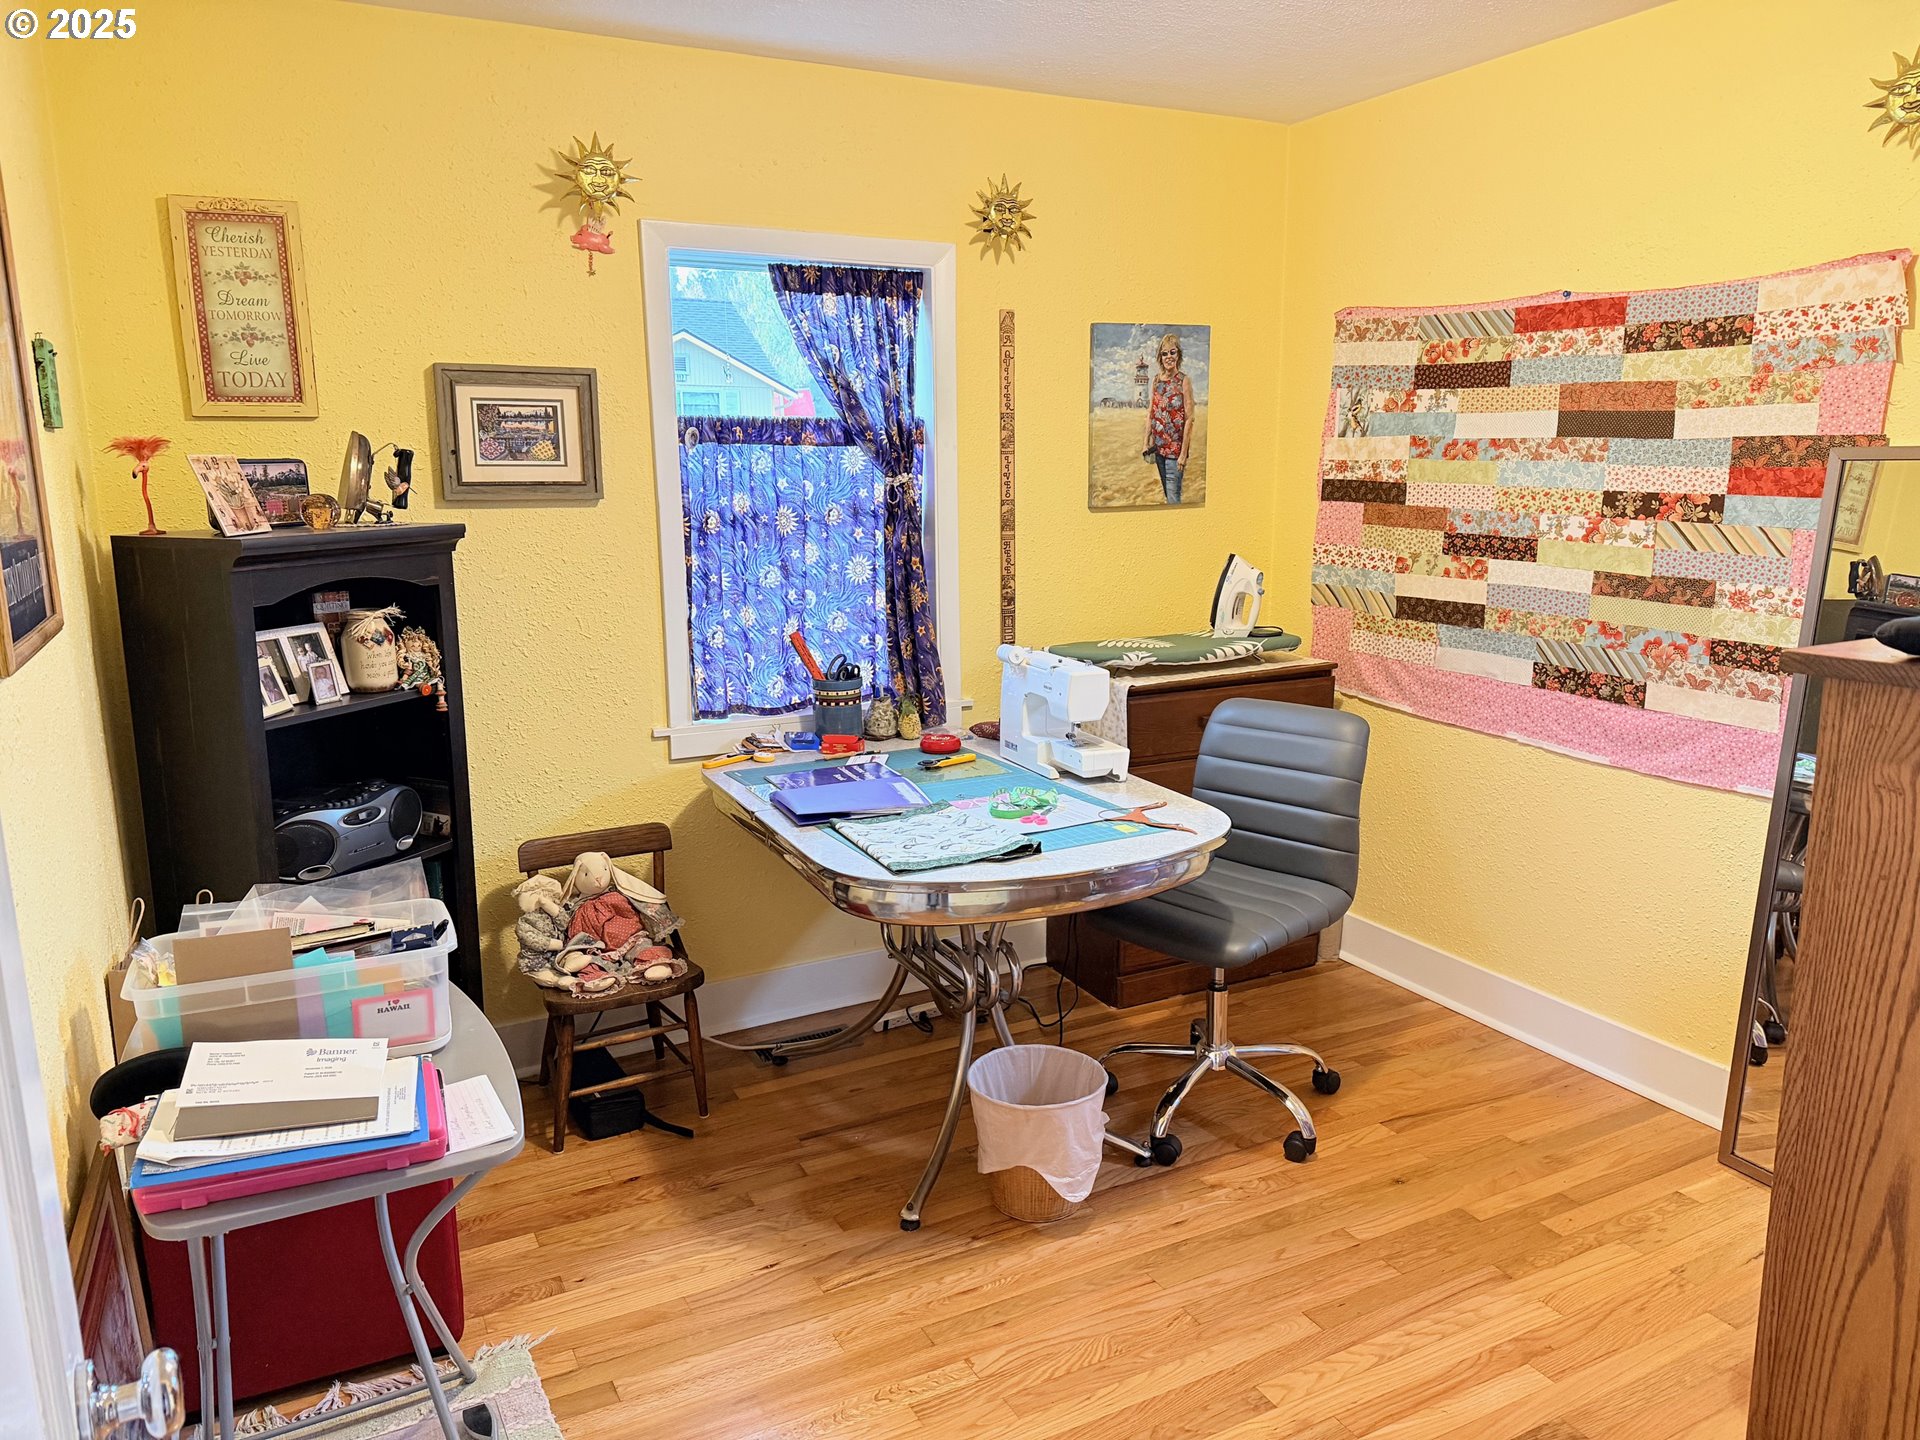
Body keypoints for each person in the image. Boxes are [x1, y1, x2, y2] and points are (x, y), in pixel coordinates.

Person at [1142, 332, 1194, 504]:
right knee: (1167, 495)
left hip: (1174, 453)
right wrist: (1146, 442)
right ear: (1160, 357)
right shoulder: (1156, 380)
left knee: (1173, 499)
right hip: (1158, 450)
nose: (1169, 357)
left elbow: (1189, 419)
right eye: (1165, 353)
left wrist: (1183, 454)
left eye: (1172, 352)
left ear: (1178, 355)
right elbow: (1151, 412)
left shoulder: (1183, 381)